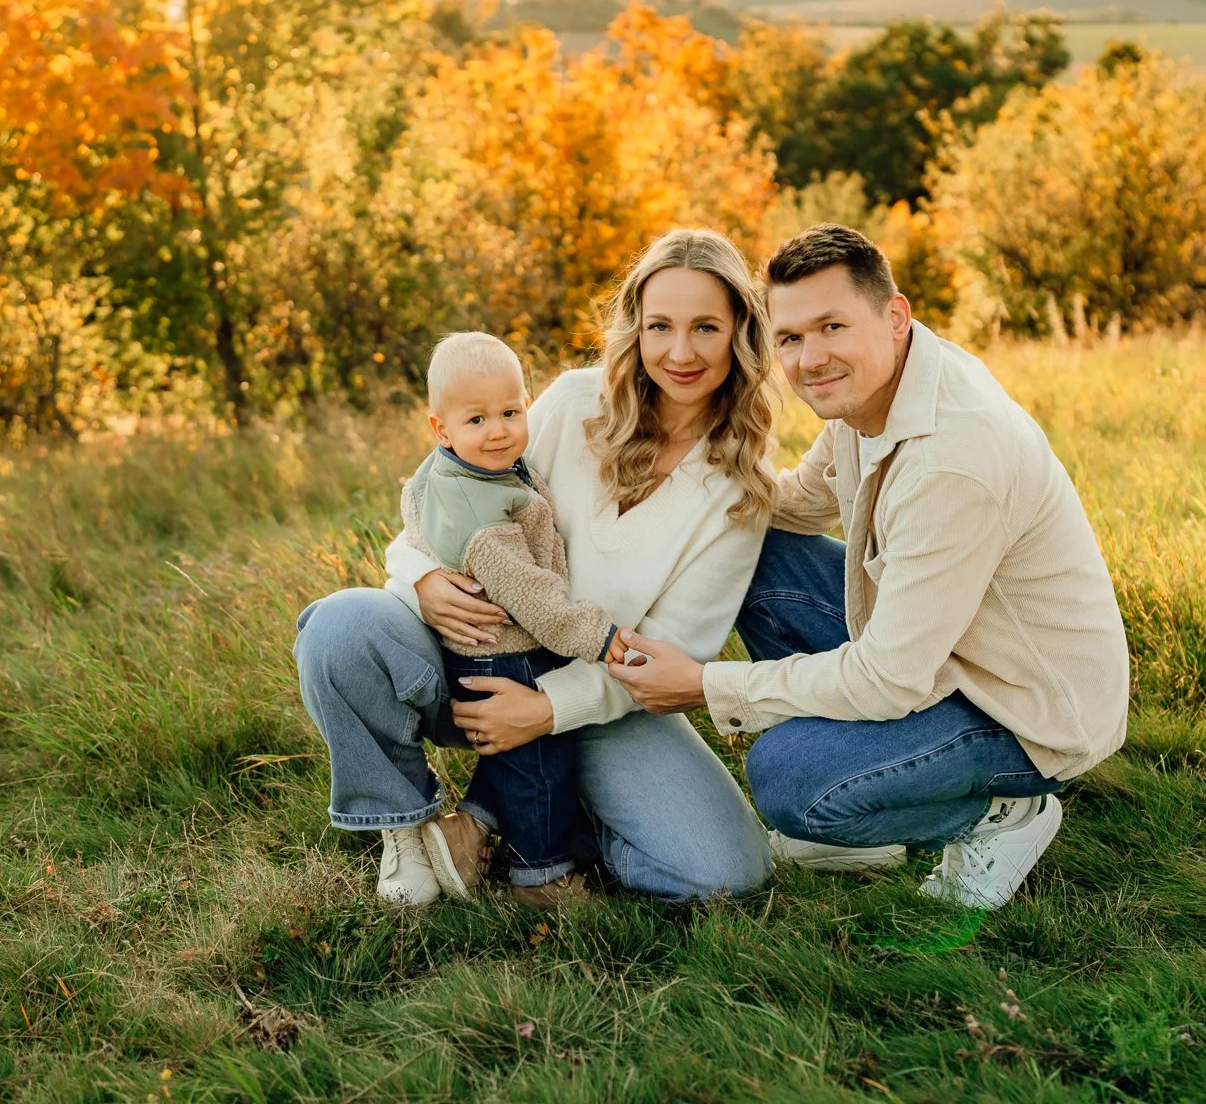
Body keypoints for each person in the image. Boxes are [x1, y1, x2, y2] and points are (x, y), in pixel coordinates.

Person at [611, 223, 1131, 909]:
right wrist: (666, 474)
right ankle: (867, 817)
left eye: (832, 326)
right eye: (790, 338)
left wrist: (705, 686)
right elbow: (793, 506)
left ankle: (1002, 812)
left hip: (1024, 709)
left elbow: (889, 679)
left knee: (790, 779)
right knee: (754, 549)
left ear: (894, 316)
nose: (811, 359)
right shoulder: (879, 390)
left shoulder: (951, 460)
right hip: (945, 654)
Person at [295, 229, 782, 903]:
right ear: (636, 328)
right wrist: (420, 578)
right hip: (472, 660)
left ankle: (526, 818)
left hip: (599, 699)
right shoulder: (575, 402)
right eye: (660, 325)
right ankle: (407, 829)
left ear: (740, 334)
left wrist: (548, 710)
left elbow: (673, 652)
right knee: (339, 626)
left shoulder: (740, 485)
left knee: (727, 873)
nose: (680, 351)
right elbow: (449, 499)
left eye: (706, 327)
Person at [390, 331, 626, 907]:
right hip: (505, 651)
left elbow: (412, 504)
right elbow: (533, 595)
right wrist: (598, 636)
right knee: (542, 764)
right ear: (441, 429)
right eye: (476, 419)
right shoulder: (484, 518)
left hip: (490, 646)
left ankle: (470, 828)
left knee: (523, 757)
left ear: (527, 405)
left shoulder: (461, 470)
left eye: (510, 413)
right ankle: (541, 877)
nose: (497, 430)